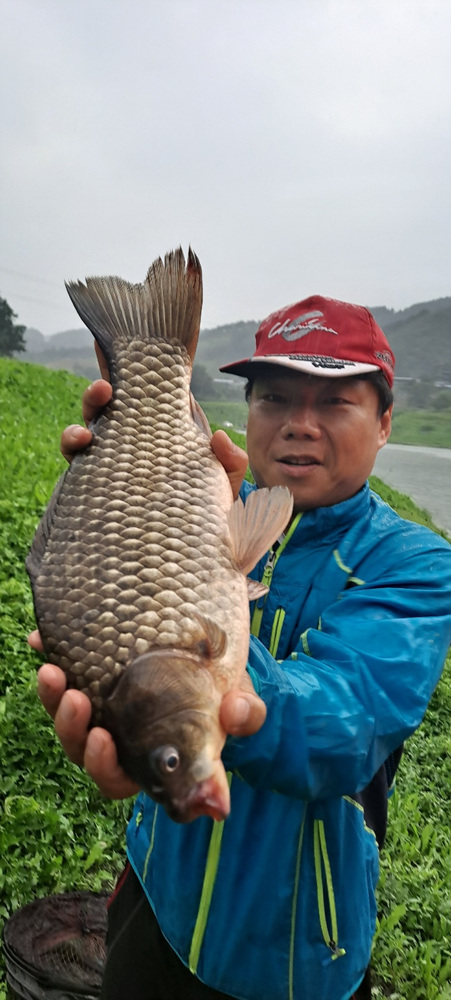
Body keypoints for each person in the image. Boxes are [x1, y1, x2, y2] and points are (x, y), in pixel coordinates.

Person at [30, 294, 451, 1000]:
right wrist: (105, 524)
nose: (298, 424)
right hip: (155, 895)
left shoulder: (414, 564)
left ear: (383, 422)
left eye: (334, 402)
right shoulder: (193, 504)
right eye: (274, 397)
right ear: (246, 412)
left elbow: (343, 725)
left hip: (297, 953)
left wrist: (193, 658)